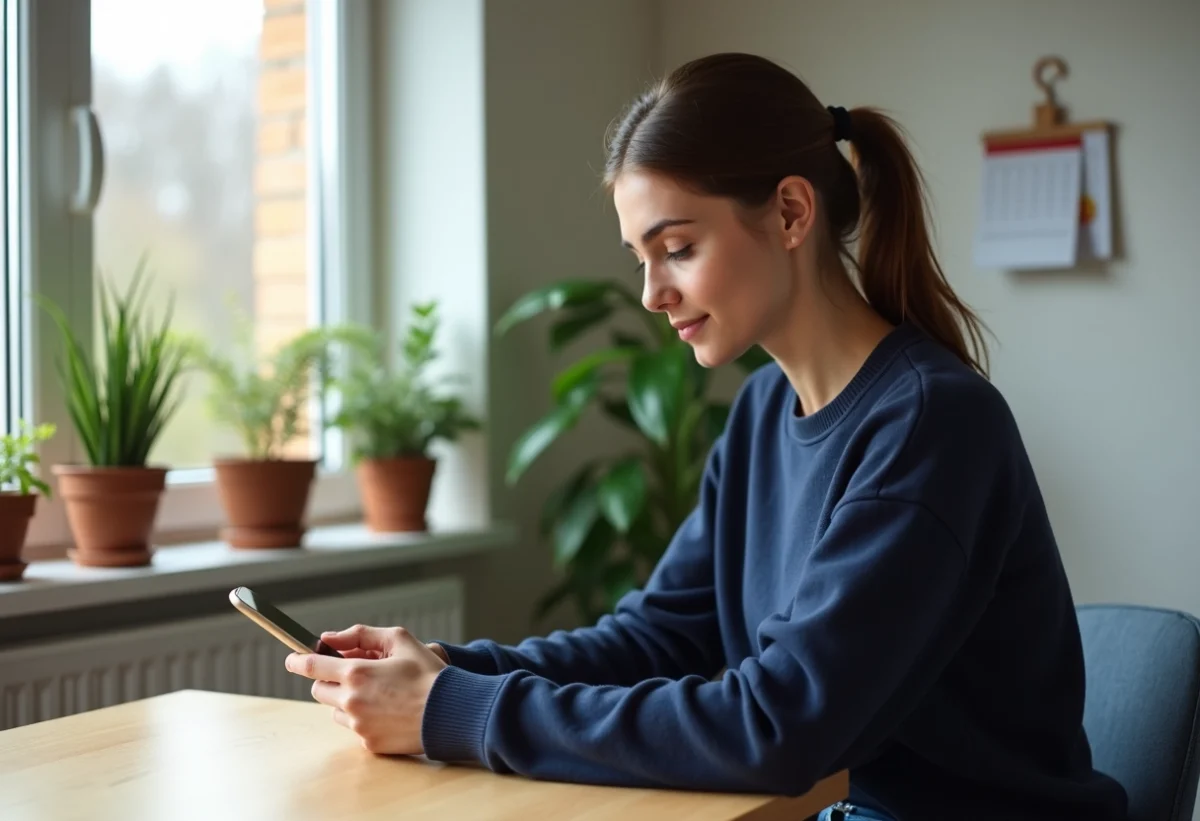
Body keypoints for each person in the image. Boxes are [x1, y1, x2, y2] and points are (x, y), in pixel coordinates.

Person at [285, 53, 1130, 821]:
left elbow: (779, 723)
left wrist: (454, 710)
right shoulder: (763, 413)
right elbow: (659, 637)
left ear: (792, 212)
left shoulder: (933, 425)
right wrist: (447, 666)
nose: (653, 292)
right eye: (640, 257)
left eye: (678, 247)